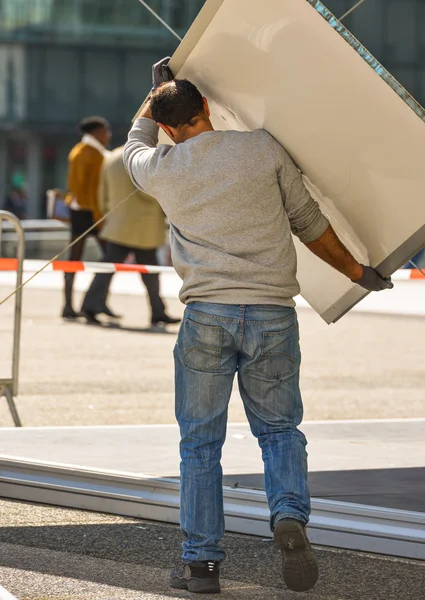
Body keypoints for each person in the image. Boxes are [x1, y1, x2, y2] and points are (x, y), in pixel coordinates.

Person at [123, 62, 393, 594]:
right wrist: (359, 273)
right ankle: (288, 515)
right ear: (206, 110)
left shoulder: (158, 167)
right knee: (279, 431)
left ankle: (201, 566)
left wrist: (150, 98)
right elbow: (310, 224)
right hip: (272, 313)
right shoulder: (263, 148)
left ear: (169, 128)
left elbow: (136, 136)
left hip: (206, 317)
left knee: (200, 444)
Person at [80, 146, 181, 327]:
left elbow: (102, 191)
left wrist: (106, 213)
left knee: (108, 266)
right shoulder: (147, 156)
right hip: (144, 225)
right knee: (150, 271)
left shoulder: (111, 157)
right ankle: (157, 312)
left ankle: (90, 305)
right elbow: (152, 192)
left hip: (118, 221)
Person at [62, 116, 117, 320]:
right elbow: (80, 188)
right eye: (105, 131)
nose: (108, 135)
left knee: (108, 259)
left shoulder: (92, 151)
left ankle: (96, 302)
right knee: (107, 258)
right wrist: (99, 214)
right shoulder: (86, 153)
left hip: (89, 212)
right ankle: (76, 304)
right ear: (95, 133)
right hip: (88, 213)